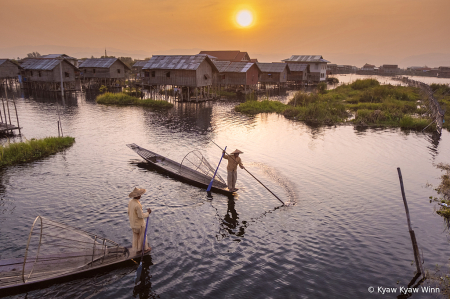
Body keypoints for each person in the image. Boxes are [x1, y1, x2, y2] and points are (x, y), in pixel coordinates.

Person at [128, 187, 151, 254]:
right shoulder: (137, 205)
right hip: (139, 225)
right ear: (137, 196)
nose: (141, 195)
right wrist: (148, 213)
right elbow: (141, 216)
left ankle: (135, 248)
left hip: (133, 224)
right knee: (142, 236)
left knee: (135, 236)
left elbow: (128, 212)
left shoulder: (131, 202)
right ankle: (142, 249)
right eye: (140, 195)